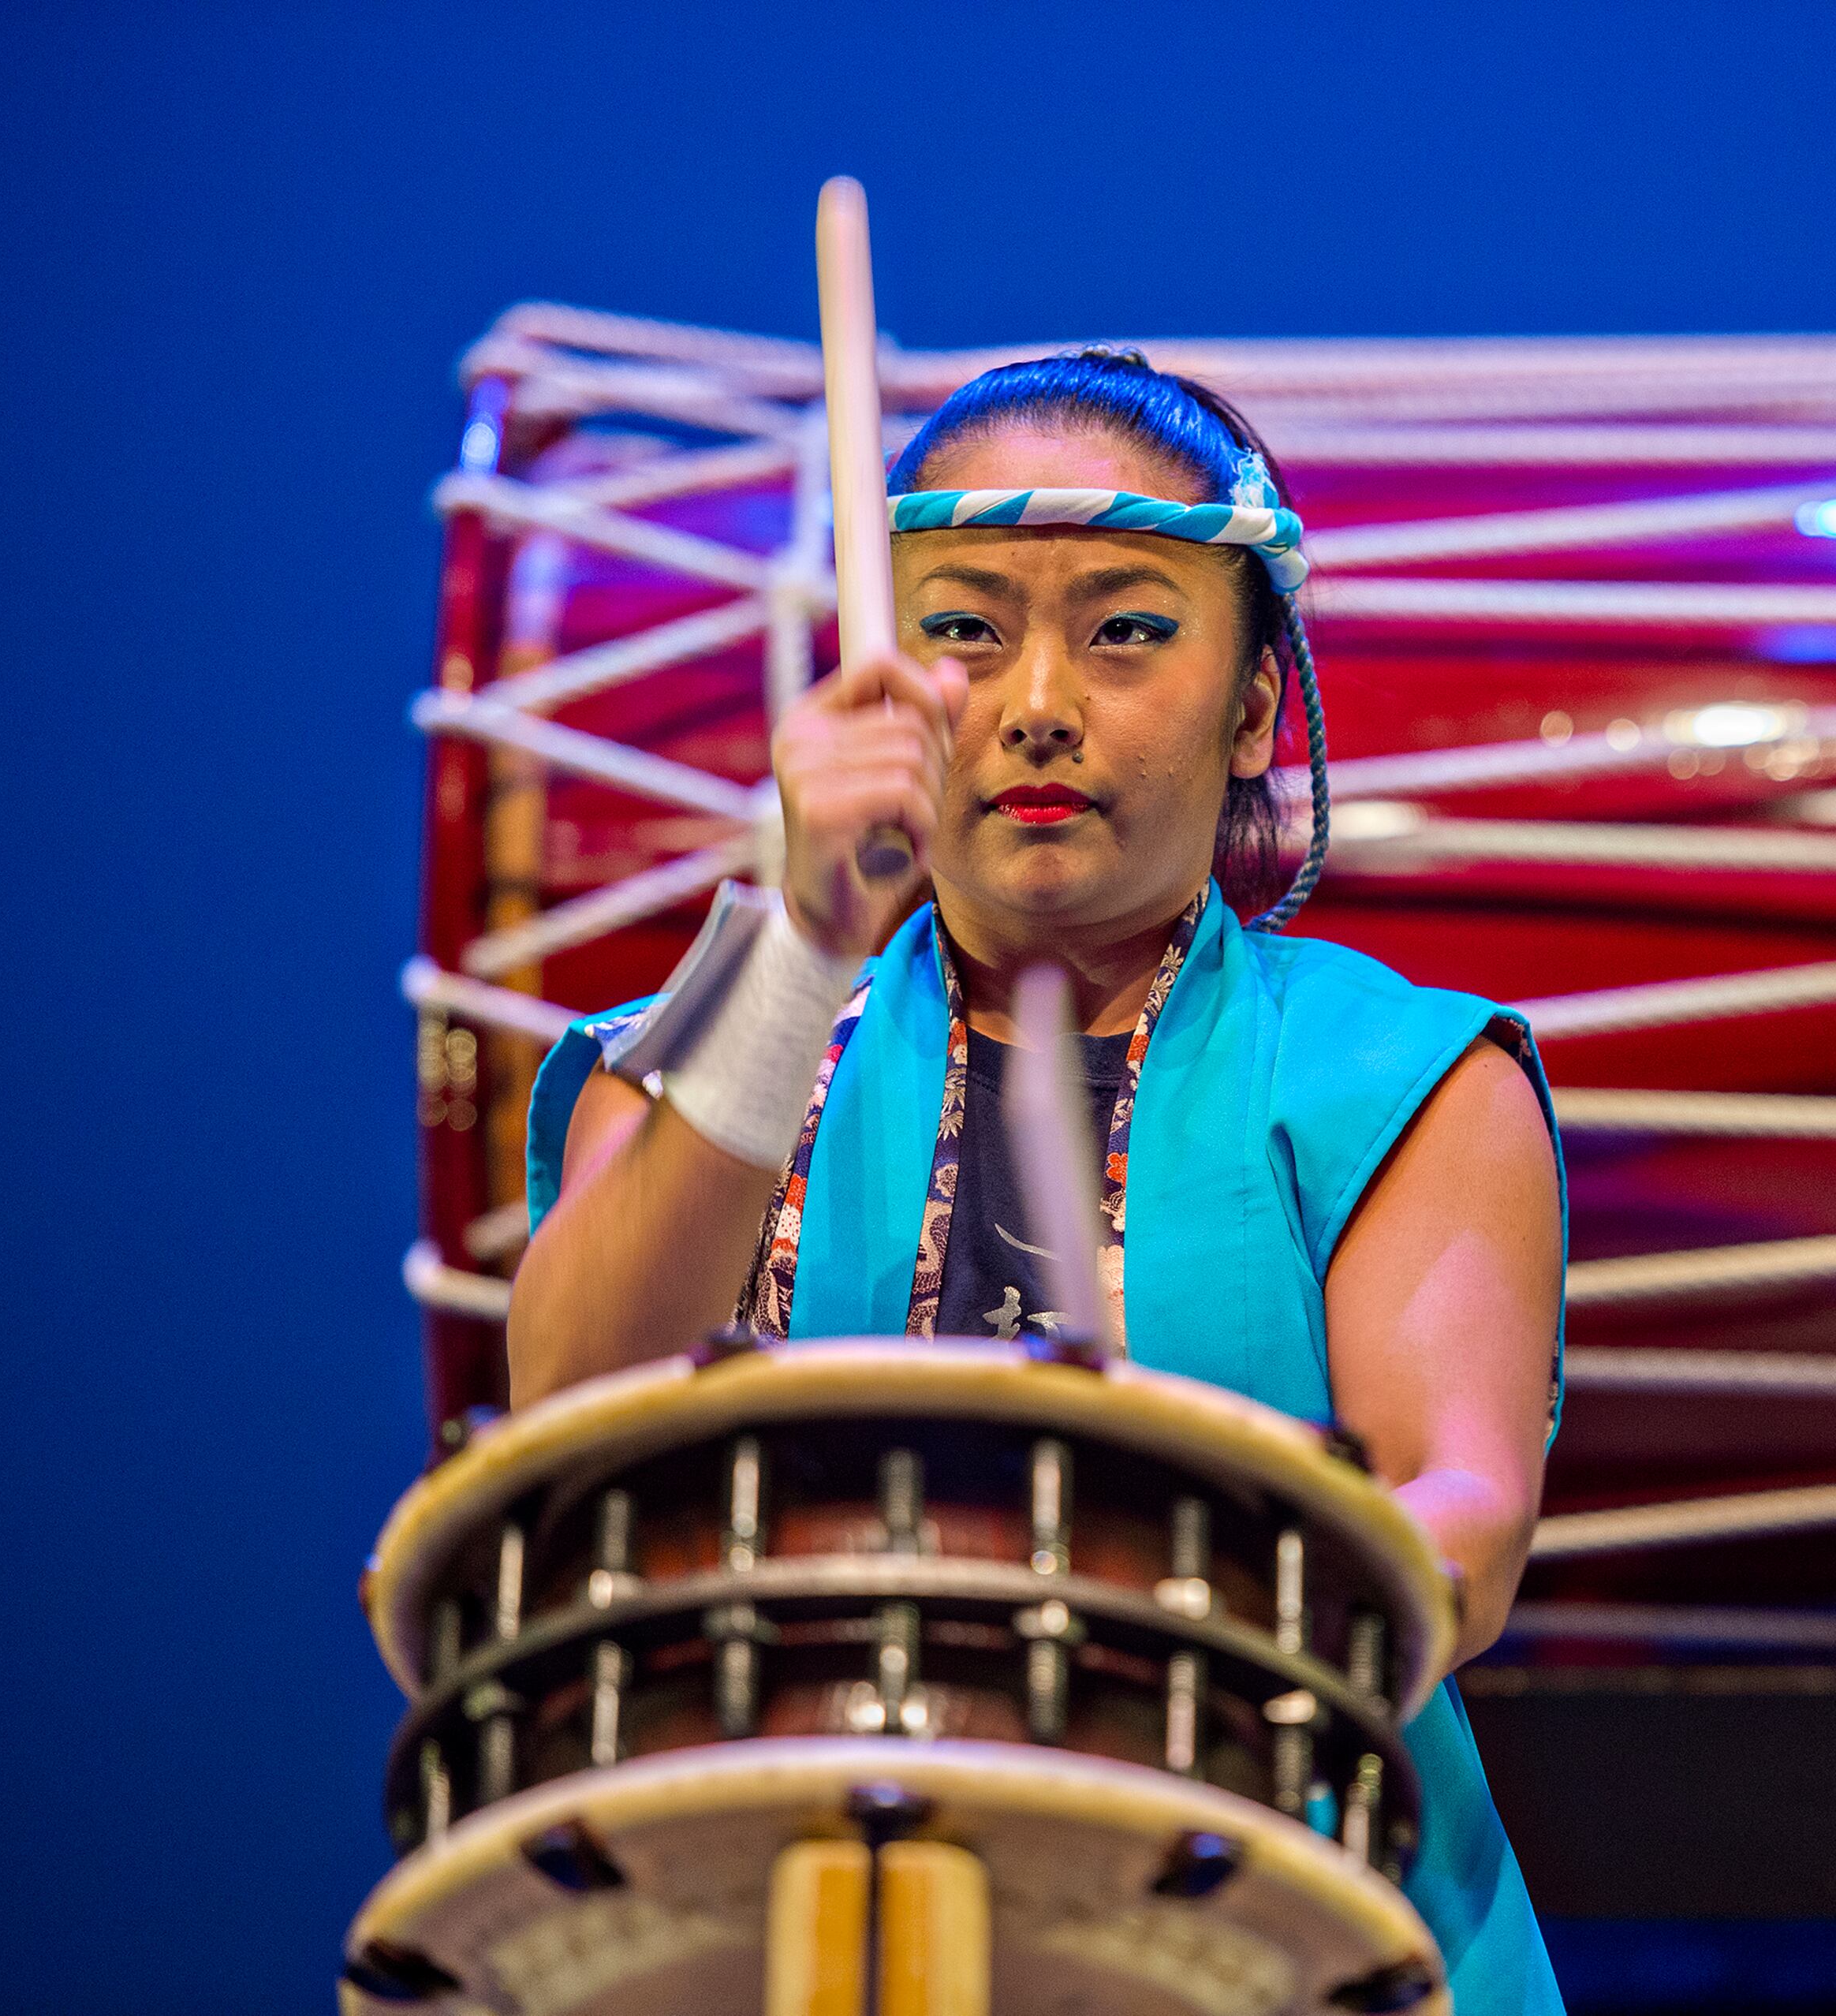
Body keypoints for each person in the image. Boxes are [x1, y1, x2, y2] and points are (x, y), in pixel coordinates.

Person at [504, 349, 1567, 2013]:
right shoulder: (715, 1043)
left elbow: (1462, 1526)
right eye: (964, 630)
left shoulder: (1403, 1073)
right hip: (793, 1940)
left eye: (1128, 631)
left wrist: (1099, 1678)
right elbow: (566, 1423)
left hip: (1295, 1939)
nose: (1039, 703)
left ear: (1253, 712)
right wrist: (799, 942)